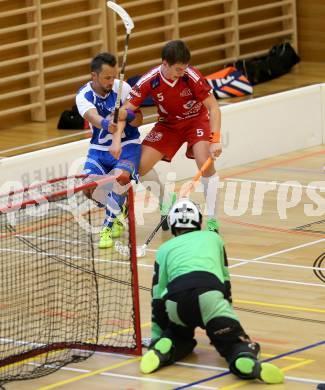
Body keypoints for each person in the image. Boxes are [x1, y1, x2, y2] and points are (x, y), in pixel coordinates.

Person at [140, 198, 284, 385]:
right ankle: (244, 359)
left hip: (176, 303)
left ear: (174, 225)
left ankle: (163, 348)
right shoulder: (214, 238)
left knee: (178, 335)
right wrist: (226, 318)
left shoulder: (164, 249)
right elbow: (225, 282)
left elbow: (158, 297)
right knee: (234, 343)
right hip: (209, 297)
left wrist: (157, 335)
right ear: (199, 222)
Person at [122, 40, 222, 232]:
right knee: (139, 167)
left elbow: (214, 107)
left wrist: (215, 140)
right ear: (164, 64)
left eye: (184, 68)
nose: (182, 73)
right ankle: (166, 202)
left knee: (205, 162)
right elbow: (129, 109)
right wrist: (120, 114)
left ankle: (212, 218)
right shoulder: (149, 79)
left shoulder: (190, 75)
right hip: (168, 125)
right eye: (178, 69)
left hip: (195, 121)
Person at [76, 52, 143, 249]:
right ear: (93, 76)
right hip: (98, 149)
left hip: (128, 145)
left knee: (120, 179)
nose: (111, 81)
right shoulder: (83, 96)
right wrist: (107, 123)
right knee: (87, 187)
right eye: (107, 77)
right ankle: (116, 207)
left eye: (114, 77)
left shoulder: (123, 88)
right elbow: (92, 117)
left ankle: (107, 227)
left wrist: (126, 114)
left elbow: (139, 119)